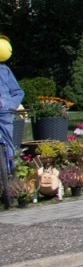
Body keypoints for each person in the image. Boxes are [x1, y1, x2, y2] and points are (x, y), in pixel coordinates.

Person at [0, 33, 21, 184]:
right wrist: (12, 105)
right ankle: (11, 170)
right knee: (8, 139)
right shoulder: (6, 70)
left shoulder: (5, 70)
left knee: (7, 141)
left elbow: (18, 92)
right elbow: (18, 92)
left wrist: (11, 106)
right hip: (6, 110)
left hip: (5, 111)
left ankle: (11, 168)